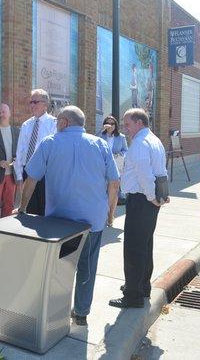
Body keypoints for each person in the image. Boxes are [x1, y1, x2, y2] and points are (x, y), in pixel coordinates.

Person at [16, 106, 120, 326]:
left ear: (63, 122)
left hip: (60, 222)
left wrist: (22, 208)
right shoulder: (100, 144)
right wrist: (110, 213)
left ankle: (57, 312)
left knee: (60, 267)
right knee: (87, 266)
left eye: (57, 121)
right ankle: (81, 313)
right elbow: (114, 182)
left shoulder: (49, 143)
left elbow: (31, 179)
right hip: (93, 219)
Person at [109, 108, 168, 308]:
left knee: (134, 248)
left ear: (139, 123)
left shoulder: (141, 143)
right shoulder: (154, 140)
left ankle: (132, 295)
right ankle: (141, 286)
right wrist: (156, 197)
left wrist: (152, 197)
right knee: (145, 245)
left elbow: (145, 174)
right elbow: (160, 171)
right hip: (149, 200)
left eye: (127, 123)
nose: (125, 128)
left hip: (143, 200)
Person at [13, 89, 57, 215]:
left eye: (35, 102)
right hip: (29, 171)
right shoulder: (26, 125)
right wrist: (20, 176)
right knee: (30, 210)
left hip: (46, 173)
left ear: (45, 104)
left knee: (45, 209)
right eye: (30, 102)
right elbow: (20, 151)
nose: (32, 105)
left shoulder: (53, 124)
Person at [98, 115, 128, 220]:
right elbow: (93, 143)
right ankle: (105, 212)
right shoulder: (100, 136)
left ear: (116, 125)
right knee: (103, 190)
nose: (110, 125)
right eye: (108, 123)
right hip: (102, 166)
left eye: (112, 123)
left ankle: (111, 214)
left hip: (116, 165)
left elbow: (126, 150)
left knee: (114, 190)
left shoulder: (121, 137)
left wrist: (119, 154)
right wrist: (102, 130)